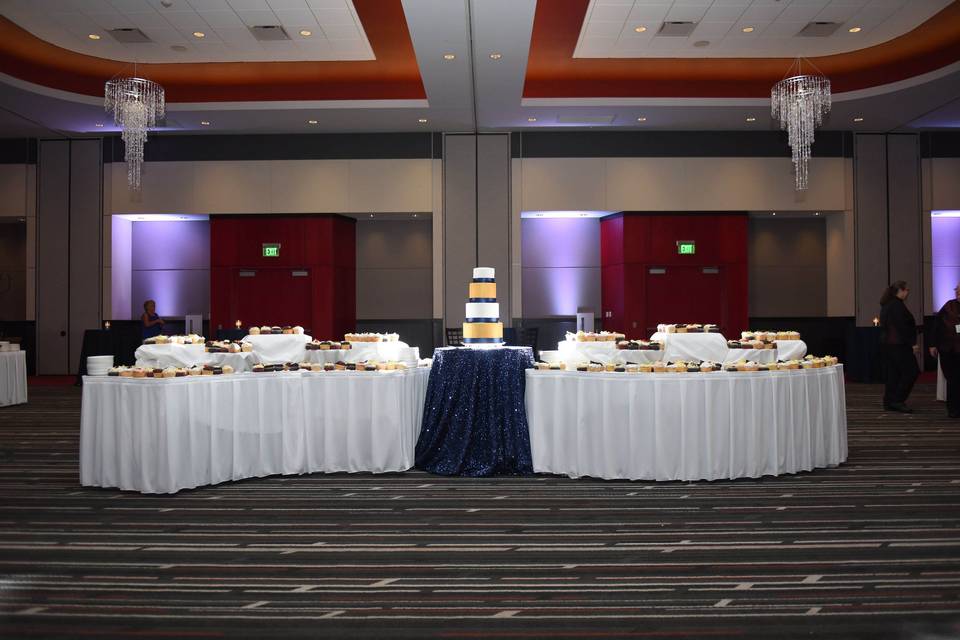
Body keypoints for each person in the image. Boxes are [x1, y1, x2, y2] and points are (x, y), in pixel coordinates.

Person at [879, 281, 920, 413]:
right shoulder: (897, 305)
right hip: (899, 345)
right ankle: (897, 400)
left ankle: (889, 401)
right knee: (911, 372)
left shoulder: (887, 304)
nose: (908, 293)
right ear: (901, 290)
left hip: (889, 345)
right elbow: (902, 327)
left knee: (893, 374)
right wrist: (912, 344)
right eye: (907, 290)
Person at [929, 283, 960, 419]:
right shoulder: (948, 305)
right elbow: (936, 326)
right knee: (952, 380)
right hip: (948, 349)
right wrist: (932, 344)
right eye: (957, 292)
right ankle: (953, 410)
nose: (958, 294)